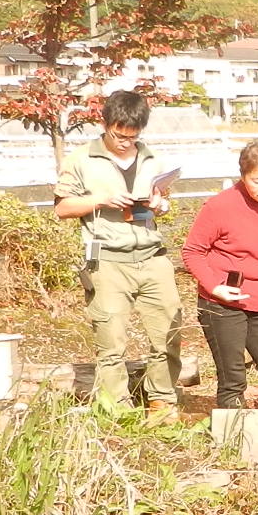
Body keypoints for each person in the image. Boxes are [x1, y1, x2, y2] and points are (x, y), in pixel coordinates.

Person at [52, 89, 182, 421]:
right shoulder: (81, 159)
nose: (125, 142)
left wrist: (160, 204)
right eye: (118, 135)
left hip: (152, 255)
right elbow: (62, 208)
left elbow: (161, 203)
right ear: (105, 123)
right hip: (107, 259)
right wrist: (100, 200)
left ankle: (162, 400)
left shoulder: (152, 158)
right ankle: (117, 409)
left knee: (167, 330)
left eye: (132, 137)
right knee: (111, 340)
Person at [181, 139, 258, 463]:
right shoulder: (220, 205)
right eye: (257, 180)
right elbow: (192, 252)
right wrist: (215, 286)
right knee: (233, 379)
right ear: (243, 175)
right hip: (220, 303)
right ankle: (233, 447)